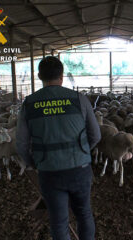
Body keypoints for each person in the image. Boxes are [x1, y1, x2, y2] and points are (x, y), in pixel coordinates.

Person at [16, 56, 101, 240]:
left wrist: (35, 163)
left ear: (39, 76)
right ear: (62, 76)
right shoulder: (79, 99)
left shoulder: (29, 103)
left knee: (58, 221)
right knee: (84, 214)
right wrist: (83, 152)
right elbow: (96, 135)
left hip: (49, 172)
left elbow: (21, 144)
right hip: (79, 169)